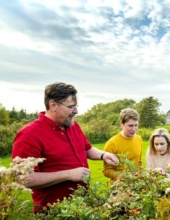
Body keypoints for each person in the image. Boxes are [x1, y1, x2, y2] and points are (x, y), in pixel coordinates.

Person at [12, 82, 119, 213]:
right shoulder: (29, 135)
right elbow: (23, 178)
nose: (76, 111)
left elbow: (87, 149)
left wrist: (103, 155)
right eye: (71, 107)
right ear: (53, 105)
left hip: (82, 205)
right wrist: (68, 174)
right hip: (53, 212)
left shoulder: (73, 125)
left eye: (76, 106)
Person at [102, 108, 142, 181]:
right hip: (120, 187)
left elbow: (139, 163)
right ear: (121, 124)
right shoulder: (112, 143)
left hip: (137, 185)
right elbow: (106, 170)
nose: (134, 129)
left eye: (136, 125)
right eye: (130, 126)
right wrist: (124, 177)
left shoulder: (138, 139)